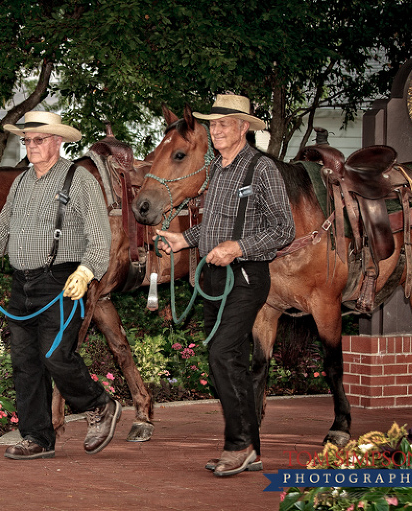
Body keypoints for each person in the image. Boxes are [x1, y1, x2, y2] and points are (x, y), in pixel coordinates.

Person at [0, 110, 121, 460]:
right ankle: (37, 437)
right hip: (22, 284)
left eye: (38, 139)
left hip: (60, 283)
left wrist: (86, 272)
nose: (31, 146)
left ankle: (99, 405)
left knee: (54, 356)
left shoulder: (79, 180)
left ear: (58, 141)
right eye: (26, 140)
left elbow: (99, 238)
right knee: (25, 361)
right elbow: (3, 229)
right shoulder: (20, 183)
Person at [155, 94, 295, 477]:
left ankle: (239, 446)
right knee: (227, 359)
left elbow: (284, 229)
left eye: (224, 124)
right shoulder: (217, 168)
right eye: (213, 125)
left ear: (243, 128)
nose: (216, 130)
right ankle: (250, 446)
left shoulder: (262, 170)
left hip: (247, 275)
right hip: (213, 276)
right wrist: (185, 239)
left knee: (221, 353)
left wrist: (239, 247)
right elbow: (213, 225)